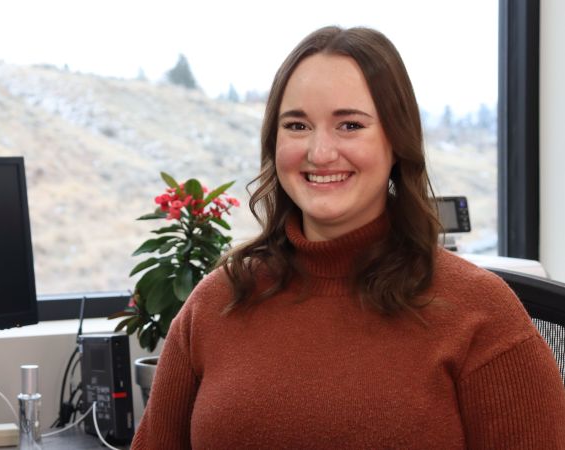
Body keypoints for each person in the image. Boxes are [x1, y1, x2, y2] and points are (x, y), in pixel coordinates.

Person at [131, 26, 565, 449]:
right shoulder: (216, 302)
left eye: (350, 126)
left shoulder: (480, 313)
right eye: (297, 126)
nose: (320, 153)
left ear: (396, 141)